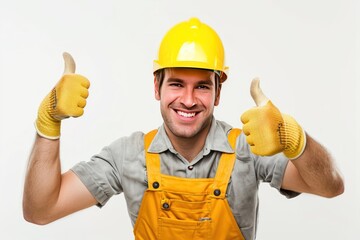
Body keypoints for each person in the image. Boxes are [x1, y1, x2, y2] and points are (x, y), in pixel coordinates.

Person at [23, 17, 344, 240]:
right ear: (156, 87)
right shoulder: (128, 155)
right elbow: (41, 210)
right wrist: (48, 124)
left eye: (202, 87)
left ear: (219, 91)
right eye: (176, 83)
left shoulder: (249, 149)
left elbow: (330, 187)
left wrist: (294, 139)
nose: (188, 100)